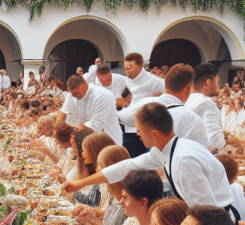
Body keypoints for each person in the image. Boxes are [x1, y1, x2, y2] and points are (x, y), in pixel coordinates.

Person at [64, 102, 234, 213]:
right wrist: (80, 183)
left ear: (154, 134)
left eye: (138, 130)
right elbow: (125, 167)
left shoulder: (183, 159)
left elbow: (206, 210)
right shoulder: (165, 150)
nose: (137, 134)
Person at [117, 64, 209, 148]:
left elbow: (123, 118)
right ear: (188, 88)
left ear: (166, 83)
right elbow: (203, 153)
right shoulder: (193, 119)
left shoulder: (146, 104)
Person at [185, 63, 245, 153]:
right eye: (218, 82)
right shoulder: (207, 103)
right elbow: (216, 143)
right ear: (208, 83)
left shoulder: (190, 100)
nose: (220, 86)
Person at [56, 74, 122, 144]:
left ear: (84, 85)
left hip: (108, 141)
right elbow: (63, 112)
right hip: (87, 140)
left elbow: (94, 127)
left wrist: (66, 131)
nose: (74, 96)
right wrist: (56, 131)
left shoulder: (102, 96)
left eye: (76, 93)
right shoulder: (72, 95)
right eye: (72, 94)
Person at [122, 52, 164, 157]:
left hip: (149, 129)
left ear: (140, 66)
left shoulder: (153, 81)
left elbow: (170, 92)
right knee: (131, 160)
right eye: (125, 68)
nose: (127, 70)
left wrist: (159, 100)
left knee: (151, 159)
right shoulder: (126, 80)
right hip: (130, 128)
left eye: (130, 67)